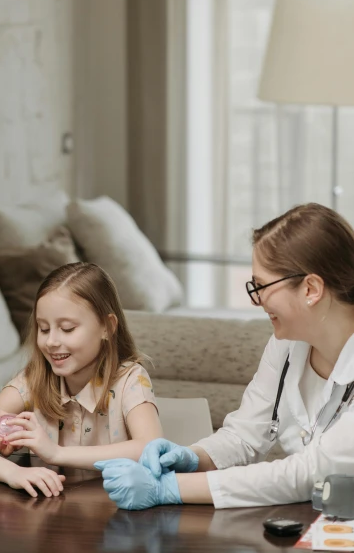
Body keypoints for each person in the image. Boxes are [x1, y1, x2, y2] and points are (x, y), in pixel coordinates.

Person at [96, 203, 354, 509]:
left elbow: (309, 471)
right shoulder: (286, 345)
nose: (257, 300)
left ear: (311, 288)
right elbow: (245, 435)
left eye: (262, 286)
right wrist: (192, 457)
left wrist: (170, 488)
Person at [0, 262, 162, 497]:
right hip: (51, 515)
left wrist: (56, 453)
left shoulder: (130, 379)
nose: (51, 342)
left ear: (107, 327)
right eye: (43, 328)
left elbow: (150, 447)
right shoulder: (33, 380)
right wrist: (13, 473)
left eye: (67, 329)